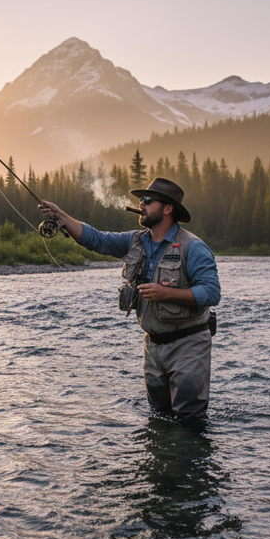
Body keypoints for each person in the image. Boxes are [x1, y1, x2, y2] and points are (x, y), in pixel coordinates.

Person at [39, 177, 220, 421]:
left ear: (168, 209)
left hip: (189, 345)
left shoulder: (193, 247)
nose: (141, 205)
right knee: (159, 417)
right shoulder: (134, 241)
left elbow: (211, 293)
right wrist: (61, 216)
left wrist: (167, 293)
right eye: (140, 200)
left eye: (147, 200)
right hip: (153, 346)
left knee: (189, 420)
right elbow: (97, 239)